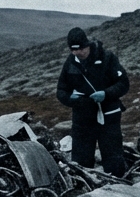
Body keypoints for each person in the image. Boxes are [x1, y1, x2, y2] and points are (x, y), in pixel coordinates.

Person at [56, 27, 130, 176]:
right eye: (74, 50)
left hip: (108, 116)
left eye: (81, 49)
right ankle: (85, 190)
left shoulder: (107, 57)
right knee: (81, 162)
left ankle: (119, 189)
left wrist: (106, 94)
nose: (78, 53)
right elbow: (61, 90)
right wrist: (70, 99)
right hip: (82, 119)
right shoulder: (70, 63)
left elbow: (123, 84)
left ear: (87, 44)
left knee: (113, 160)